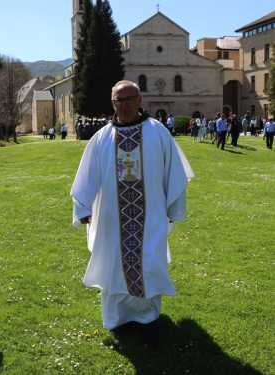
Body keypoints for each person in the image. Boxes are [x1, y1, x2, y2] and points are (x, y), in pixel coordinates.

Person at [70, 80, 194, 345]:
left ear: (140, 100)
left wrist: (171, 208)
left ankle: (147, 320)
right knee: (113, 266)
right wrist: (82, 207)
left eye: (129, 99)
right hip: (111, 219)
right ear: (112, 103)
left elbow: (175, 171)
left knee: (148, 264)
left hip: (150, 218)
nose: (123, 105)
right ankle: (118, 319)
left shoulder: (157, 132)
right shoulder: (101, 138)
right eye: (118, 100)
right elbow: (86, 176)